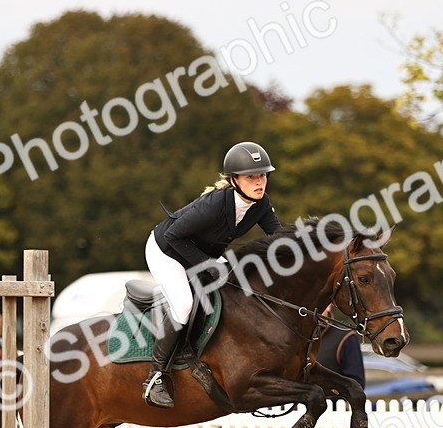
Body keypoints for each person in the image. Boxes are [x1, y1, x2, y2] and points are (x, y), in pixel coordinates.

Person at [143, 141, 282, 407]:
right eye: (251, 177)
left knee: (236, 286)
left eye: (263, 175)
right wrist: (209, 266)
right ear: (234, 180)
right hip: (166, 250)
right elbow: (174, 237)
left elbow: (278, 239)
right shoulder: (216, 203)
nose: (259, 182)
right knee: (183, 304)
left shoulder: (261, 204)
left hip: (197, 250)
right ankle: (156, 375)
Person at [315, 306, 366, 396]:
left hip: (332, 407)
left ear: (329, 305)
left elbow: (356, 384)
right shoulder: (291, 334)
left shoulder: (345, 337)